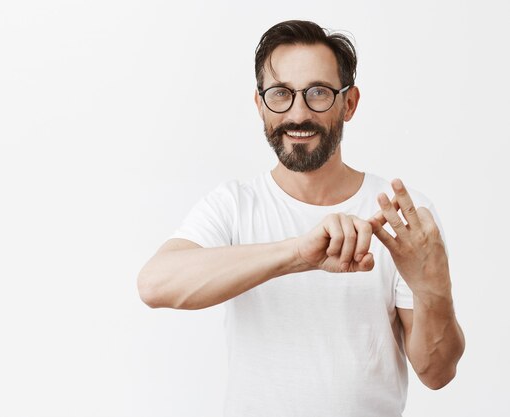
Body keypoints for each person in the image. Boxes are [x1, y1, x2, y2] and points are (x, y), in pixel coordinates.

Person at [137, 20, 465, 417]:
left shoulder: (398, 218)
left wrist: (434, 287)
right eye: (280, 94)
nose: (298, 113)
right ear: (260, 105)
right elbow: (155, 284)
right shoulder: (234, 205)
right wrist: (298, 254)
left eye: (318, 93)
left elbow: (437, 371)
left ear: (349, 103)